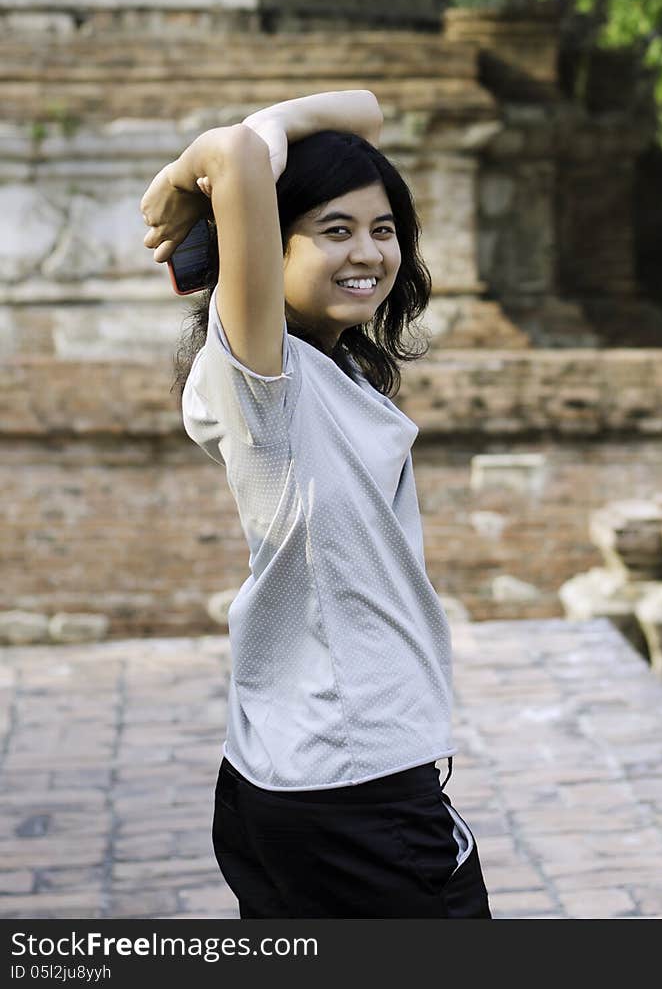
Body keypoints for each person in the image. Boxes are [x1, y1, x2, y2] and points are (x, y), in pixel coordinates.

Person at [139, 90, 492, 919]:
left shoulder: (322, 367)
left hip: (299, 769)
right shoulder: (267, 380)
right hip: (355, 787)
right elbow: (233, 158)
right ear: (266, 241)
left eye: (382, 228)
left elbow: (366, 110)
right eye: (334, 231)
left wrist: (240, 150)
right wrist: (194, 170)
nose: (368, 251)